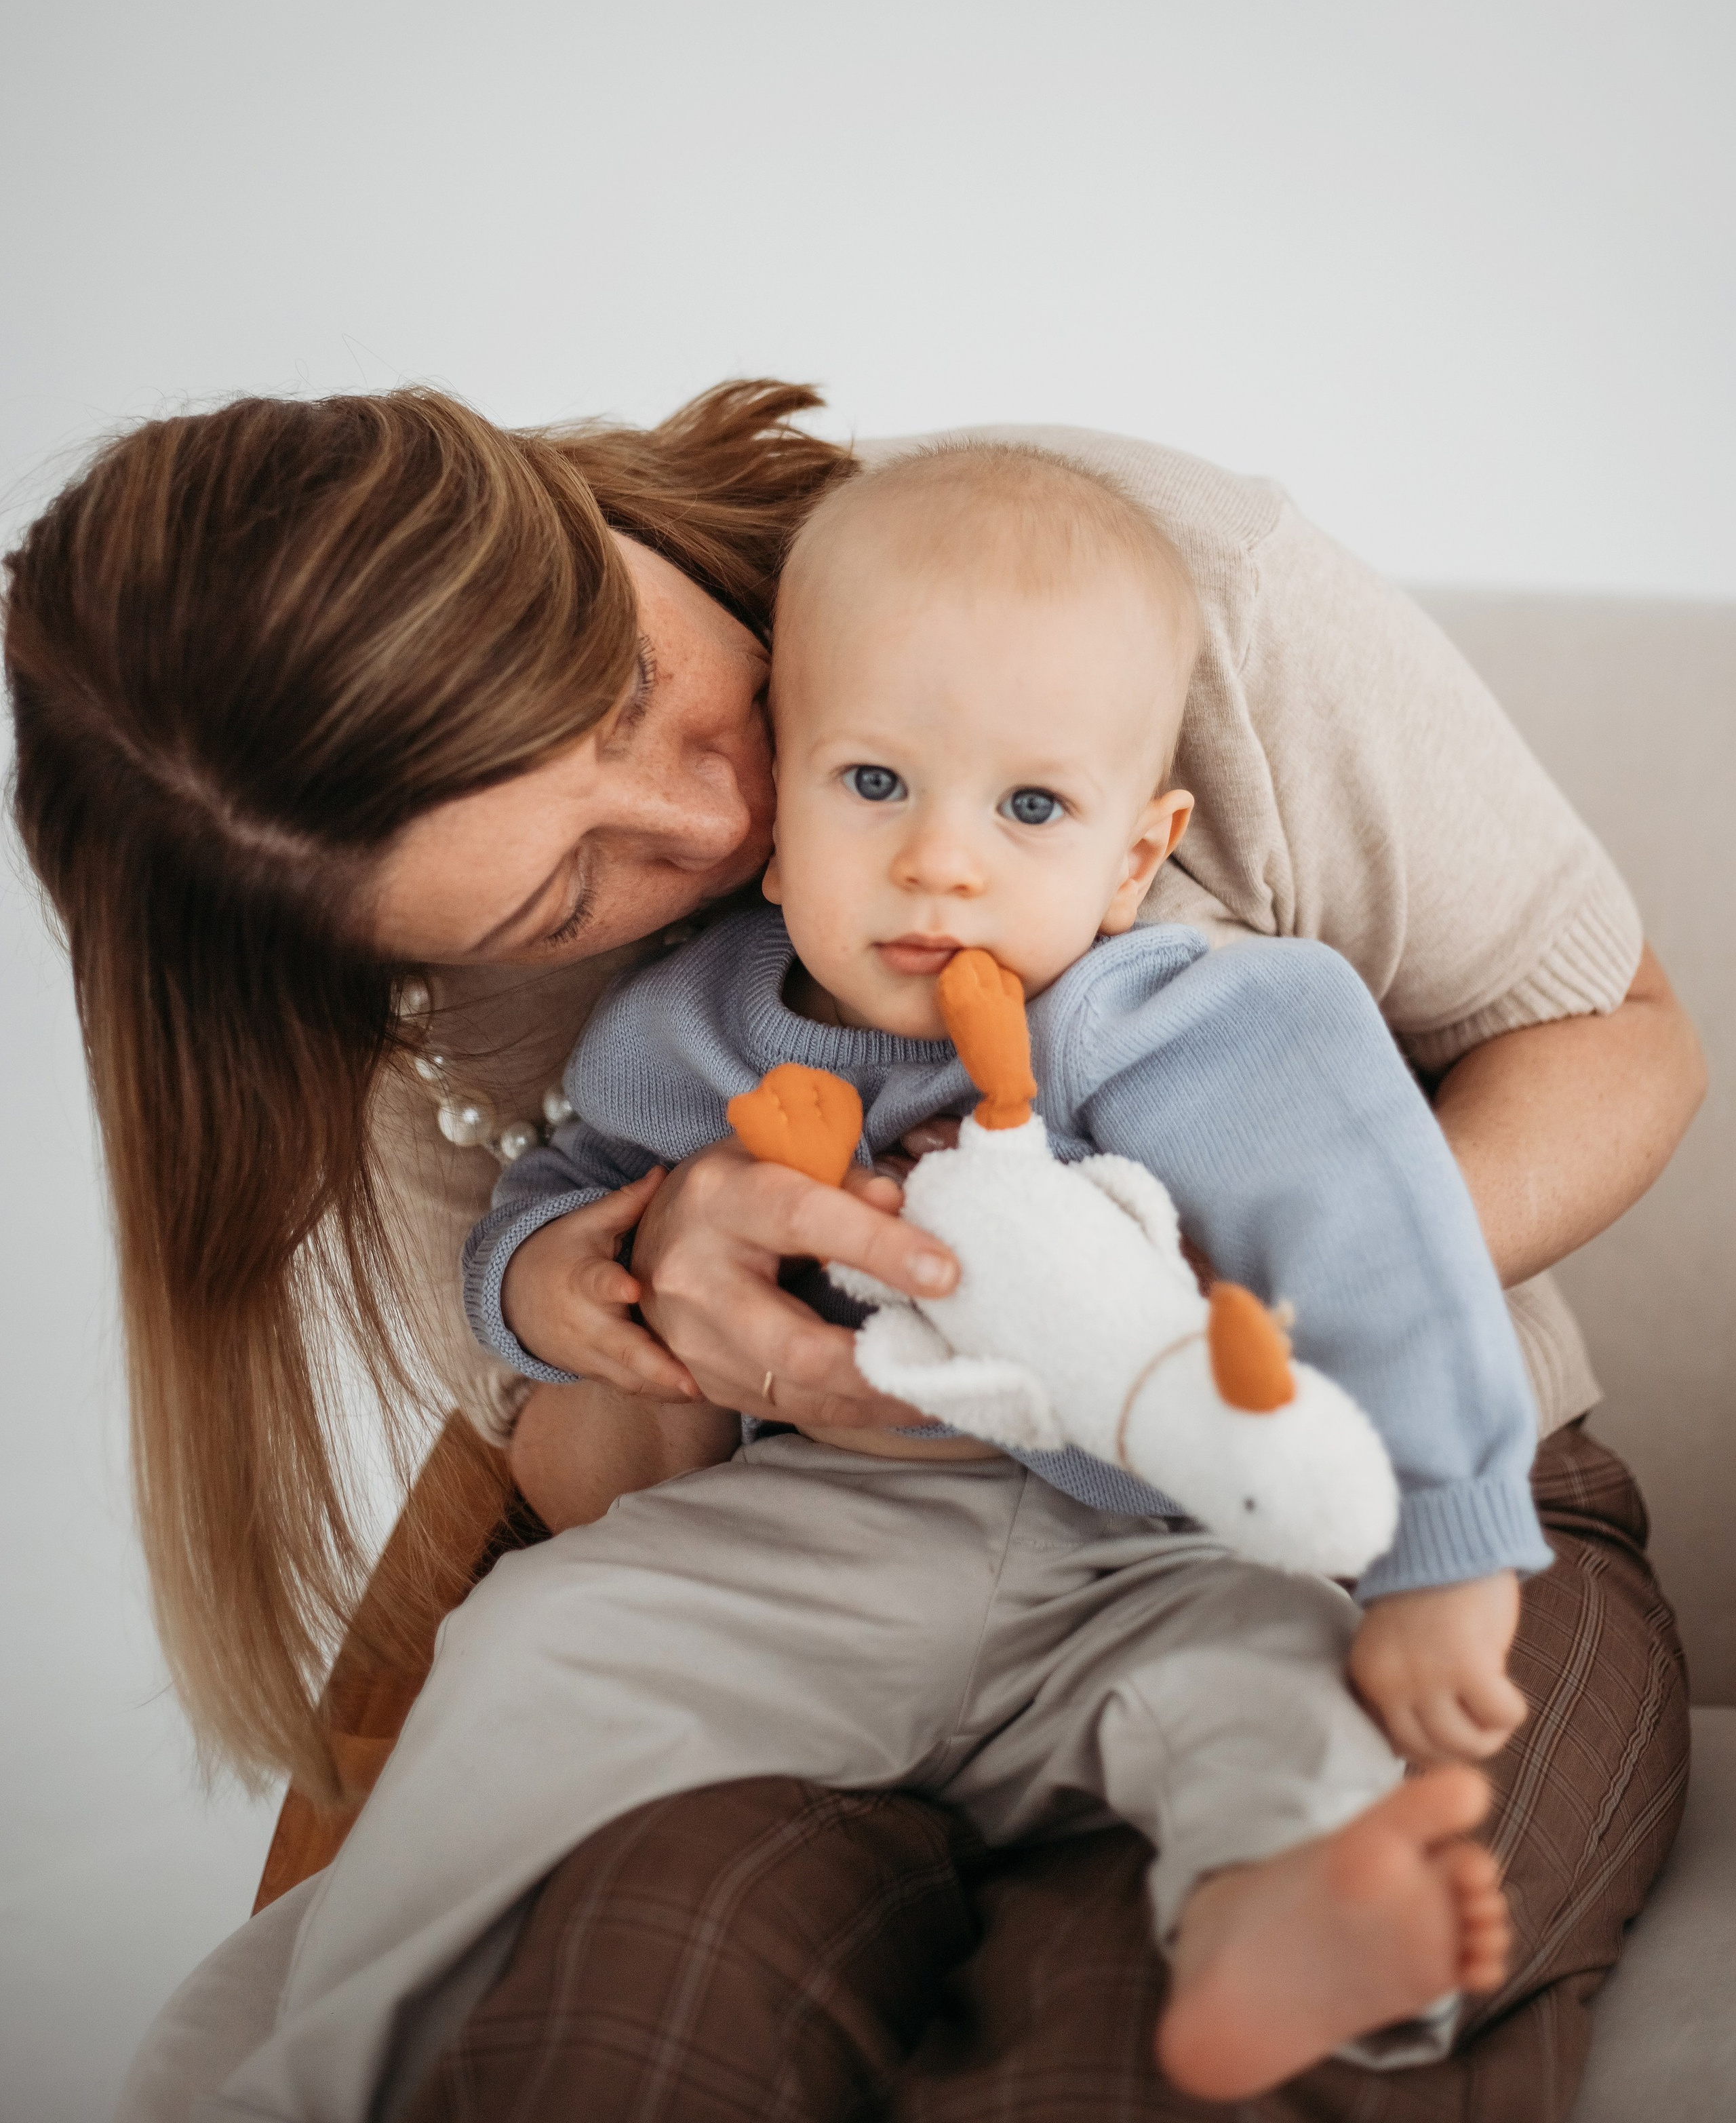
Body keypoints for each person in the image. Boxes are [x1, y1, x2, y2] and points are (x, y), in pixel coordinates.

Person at [1, 381, 1700, 2122]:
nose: (711, 816)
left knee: (1204, 1990)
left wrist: (1222, 1311)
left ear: (1137, 849)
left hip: (1284, 1507)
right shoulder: (633, 1023)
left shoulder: (1105, 648)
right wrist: (642, 1295)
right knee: (610, 2021)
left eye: (629, 693)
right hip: (812, 1538)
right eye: (559, 904)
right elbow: (577, 1439)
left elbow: (1606, 1037)